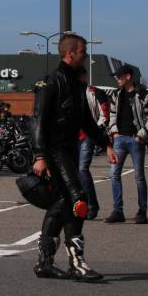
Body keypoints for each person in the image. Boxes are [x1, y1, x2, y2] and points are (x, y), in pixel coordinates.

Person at [31, 33, 117, 281]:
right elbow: (37, 120)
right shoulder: (51, 82)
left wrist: (106, 144)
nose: (86, 55)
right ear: (70, 54)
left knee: (61, 203)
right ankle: (77, 263)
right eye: (82, 51)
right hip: (53, 151)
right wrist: (39, 156)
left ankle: (45, 262)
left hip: (69, 149)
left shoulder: (77, 84)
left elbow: (86, 121)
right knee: (78, 199)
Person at [105, 64, 148, 225]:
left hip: (136, 139)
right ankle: (118, 211)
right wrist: (114, 132)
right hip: (119, 139)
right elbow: (112, 114)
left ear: (128, 77)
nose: (117, 79)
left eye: (120, 76)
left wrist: (141, 135)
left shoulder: (144, 94)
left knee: (139, 177)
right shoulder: (116, 94)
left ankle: (142, 212)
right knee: (114, 174)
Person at [75, 68, 109, 220]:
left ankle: (92, 205)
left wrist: (95, 130)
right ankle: (77, 205)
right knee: (72, 171)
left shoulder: (96, 92)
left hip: (87, 136)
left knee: (82, 169)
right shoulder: (66, 92)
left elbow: (105, 115)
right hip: (69, 137)